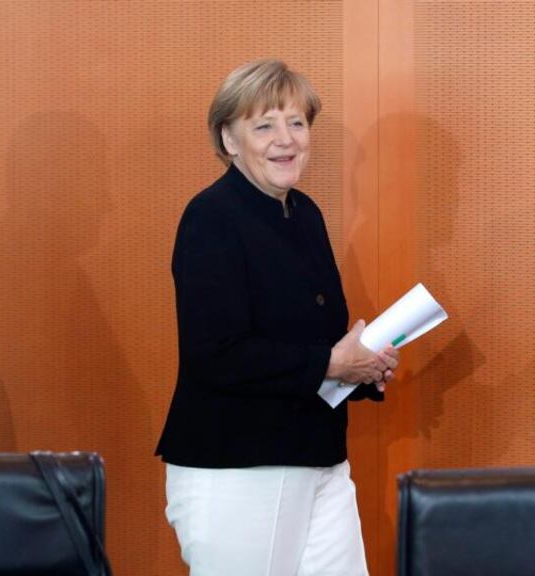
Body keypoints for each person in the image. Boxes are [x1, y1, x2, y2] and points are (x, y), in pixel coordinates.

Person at [155, 59, 398, 576]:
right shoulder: (211, 217)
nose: (284, 139)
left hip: (321, 459)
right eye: (263, 125)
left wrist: (363, 366)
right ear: (229, 138)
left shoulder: (305, 214)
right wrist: (332, 364)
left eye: (297, 123)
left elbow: (317, 344)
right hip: (237, 469)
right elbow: (214, 353)